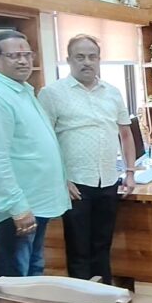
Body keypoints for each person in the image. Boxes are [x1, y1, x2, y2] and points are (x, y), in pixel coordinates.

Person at [0, 30, 70, 279]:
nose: (23, 61)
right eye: (14, 56)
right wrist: (17, 207)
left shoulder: (22, 90)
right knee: (15, 278)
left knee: (34, 269)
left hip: (37, 201)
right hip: (19, 208)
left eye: (27, 55)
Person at [38, 34, 136, 285]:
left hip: (109, 180)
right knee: (79, 250)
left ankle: (106, 298)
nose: (87, 62)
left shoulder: (112, 92)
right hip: (75, 184)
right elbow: (44, 141)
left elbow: (125, 134)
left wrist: (130, 172)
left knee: (103, 245)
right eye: (80, 57)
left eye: (92, 57)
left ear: (99, 59)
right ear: (69, 60)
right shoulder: (51, 94)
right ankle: (83, 301)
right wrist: (60, 179)